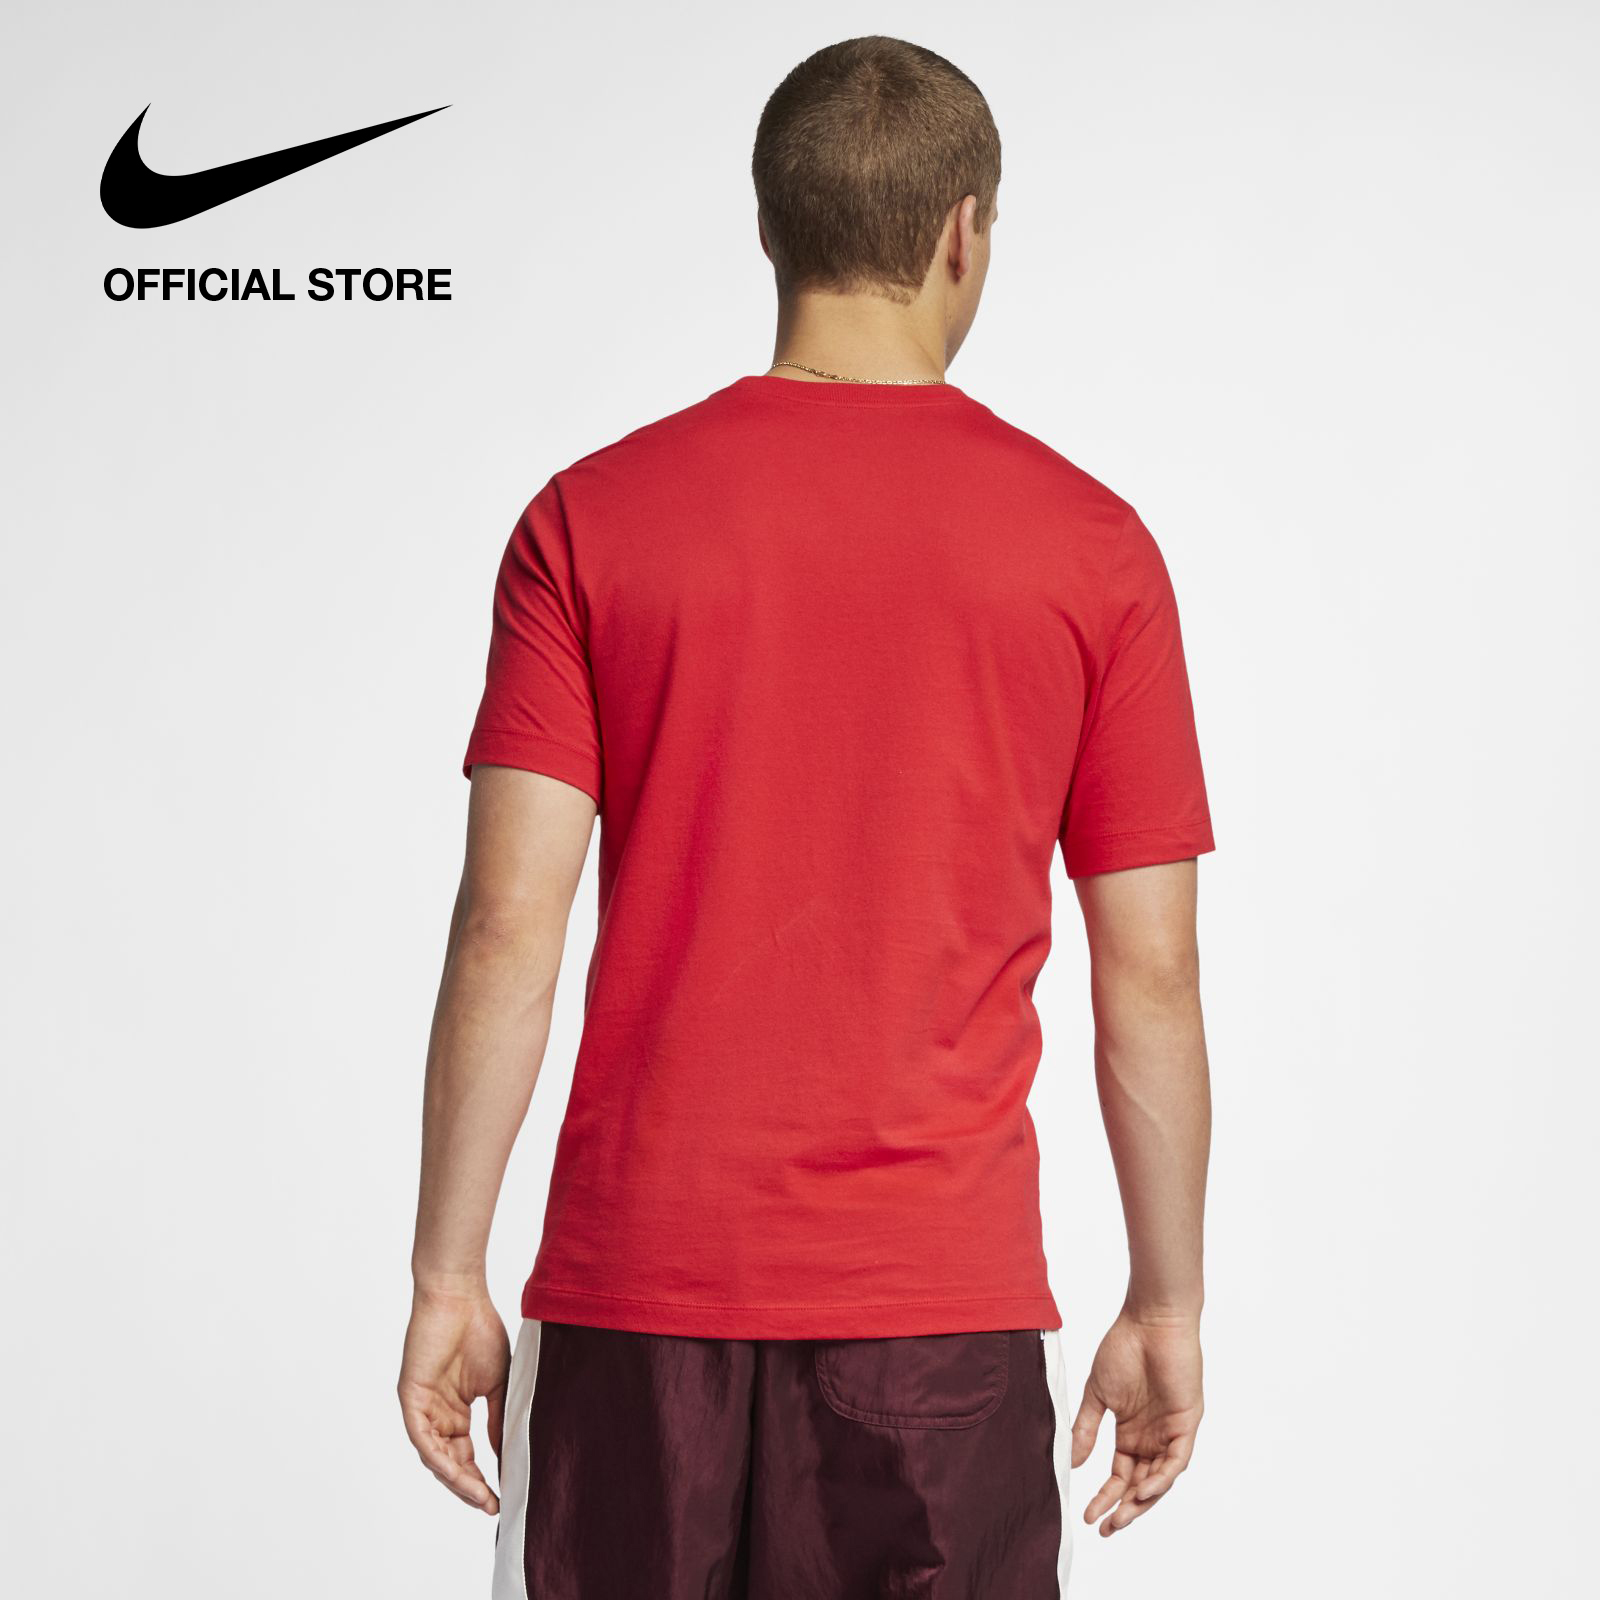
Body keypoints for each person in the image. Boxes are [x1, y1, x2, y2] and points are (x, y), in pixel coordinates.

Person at [399, 34, 1214, 1599]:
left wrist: (448, 1271)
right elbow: (1153, 975)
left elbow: (507, 925)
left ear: (770, 223)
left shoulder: (588, 520)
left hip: (638, 1308)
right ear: (965, 232)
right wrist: (1166, 1304)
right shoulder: (1095, 550)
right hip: (940, 1317)